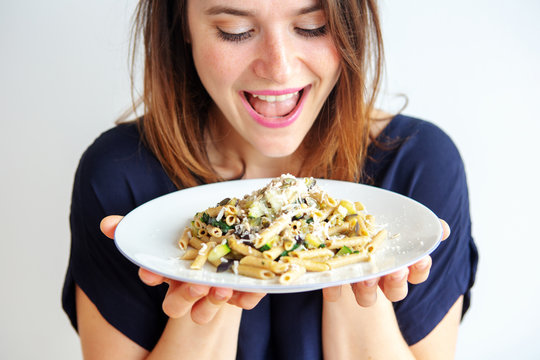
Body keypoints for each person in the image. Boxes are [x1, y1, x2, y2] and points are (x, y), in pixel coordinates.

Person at [62, 0, 478, 359]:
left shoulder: (419, 165)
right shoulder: (121, 174)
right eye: (235, 31)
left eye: (312, 25)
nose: (278, 69)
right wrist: (215, 269)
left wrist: (352, 255)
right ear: (182, 25)